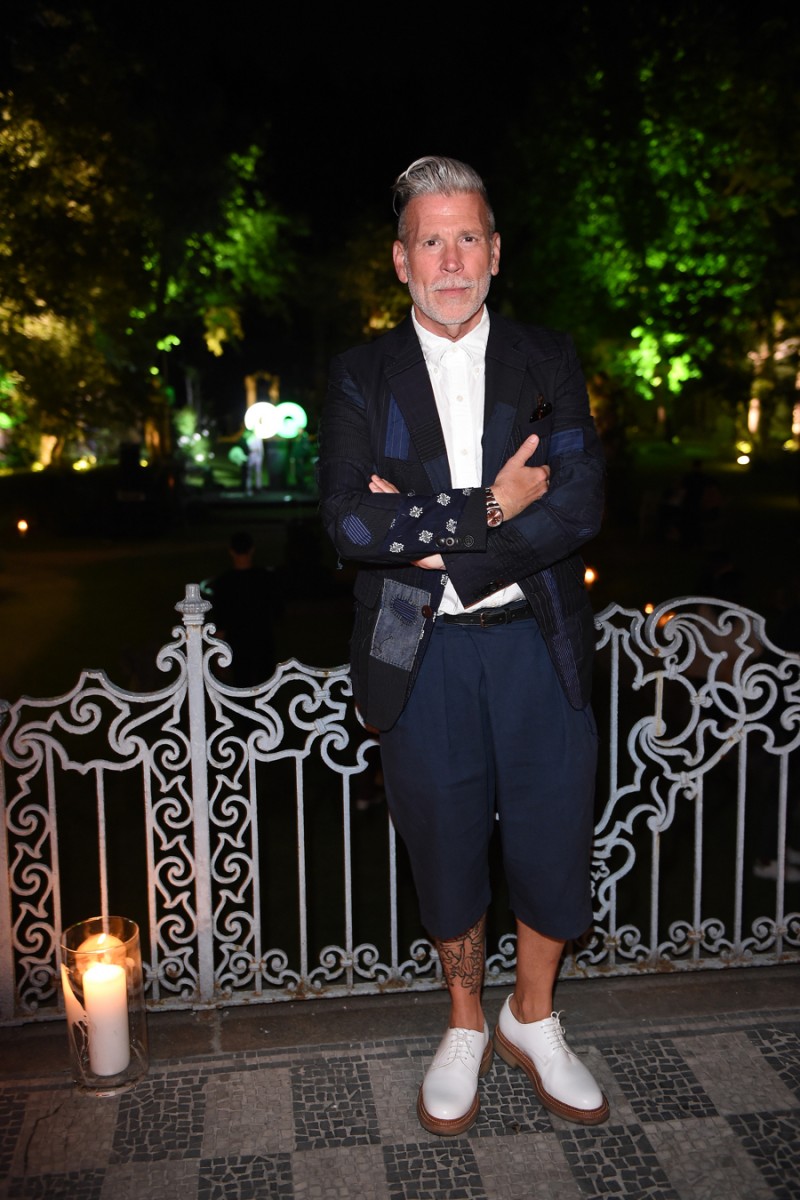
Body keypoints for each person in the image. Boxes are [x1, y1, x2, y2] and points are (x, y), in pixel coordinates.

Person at [318, 156, 609, 1135]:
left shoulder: (546, 357)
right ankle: (461, 1023)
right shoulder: (359, 375)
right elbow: (350, 529)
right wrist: (489, 505)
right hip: (420, 655)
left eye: (467, 237)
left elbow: (577, 505)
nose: (451, 259)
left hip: (537, 642)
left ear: (494, 250)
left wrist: (443, 542)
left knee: (551, 836)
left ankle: (531, 1018)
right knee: (442, 846)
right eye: (430, 241)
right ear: (400, 260)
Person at [207, 530, 284, 687]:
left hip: (237, 643)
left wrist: (218, 656)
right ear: (252, 549)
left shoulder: (223, 583)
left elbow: (220, 622)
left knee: (242, 687)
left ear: (231, 551)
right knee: (266, 688)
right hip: (263, 640)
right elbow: (278, 611)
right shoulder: (266, 578)